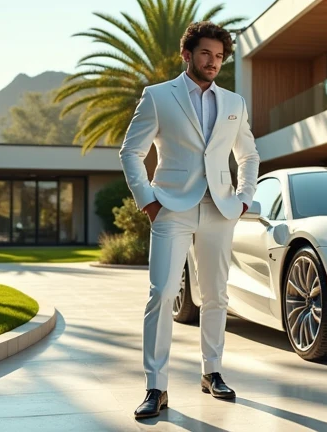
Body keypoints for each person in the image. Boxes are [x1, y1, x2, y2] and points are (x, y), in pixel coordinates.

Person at [118, 21, 259, 419]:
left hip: (221, 209)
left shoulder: (234, 103)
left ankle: (212, 371)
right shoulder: (158, 96)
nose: (213, 62)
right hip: (170, 208)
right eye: (205, 54)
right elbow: (131, 152)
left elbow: (248, 155)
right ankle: (156, 386)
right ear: (187, 55)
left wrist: (244, 199)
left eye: (219, 56)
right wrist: (148, 201)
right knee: (161, 293)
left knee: (216, 295)